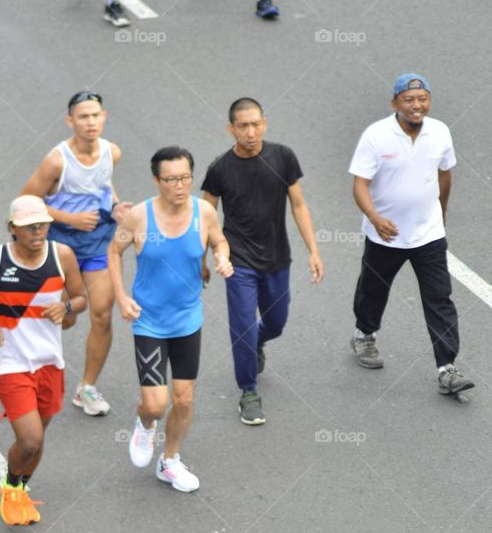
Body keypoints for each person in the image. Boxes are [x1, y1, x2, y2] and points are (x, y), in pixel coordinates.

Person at [109, 148, 233, 493]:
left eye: (185, 178)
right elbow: (114, 252)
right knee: (155, 404)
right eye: (171, 179)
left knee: (184, 398)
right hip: (148, 320)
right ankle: (145, 423)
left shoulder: (204, 212)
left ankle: (170, 461)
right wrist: (121, 296)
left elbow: (220, 241)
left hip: (187, 320)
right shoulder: (138, 217)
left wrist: (222, 258)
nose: (179, 186)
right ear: (156, 181)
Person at [0, 195, 87, 526]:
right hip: (11, 361)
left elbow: (80, 297)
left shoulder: (62, 256)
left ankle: (19, 487)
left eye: (42, 224)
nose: (37, 231)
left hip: (50, 361)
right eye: (29, 226)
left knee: (38, 439)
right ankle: (10, 485)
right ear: (12, 229)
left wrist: (68, 307)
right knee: (30, 438)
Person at [202, 97, 323, 426]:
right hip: (237, 259)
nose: (250, 132)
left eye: (256, 124)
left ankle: (259, 341)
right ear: (231, 129)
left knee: (276, 322)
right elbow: (206, 217)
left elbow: (298, 205)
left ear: (264, 124)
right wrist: (203, 258)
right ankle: (249, 392)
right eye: (243, 126)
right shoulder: (220, 169)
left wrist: (313, 249)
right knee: (242, 326)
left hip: (276, 257)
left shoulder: (282, 157)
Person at [349, 74, 473, 396]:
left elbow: (445, 174)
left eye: (422, 99)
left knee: (439, 297)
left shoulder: (440, 132)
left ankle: (446, 368)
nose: (417, 105)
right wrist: (375, 218)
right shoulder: (377, 136)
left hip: (428, 234)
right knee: (373, 290)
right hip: (385, 235)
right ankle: (365, 333)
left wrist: (441, 213)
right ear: (395, 104)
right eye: (409, 100)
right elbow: (360, 184)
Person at [21, 91, 130, 416]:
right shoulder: (57, 160)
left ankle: (87, 388)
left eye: (95, 115)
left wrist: (115, 207)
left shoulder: (112, 152)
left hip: (98, 243)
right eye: (83, 116)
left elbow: (106, 187)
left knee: (101, 313)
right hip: (61, 246)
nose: (91, 122)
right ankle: (30, 370)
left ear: (104, 116)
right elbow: (26, 202)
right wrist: (70, 219)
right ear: (71, 121)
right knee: (65, 318)